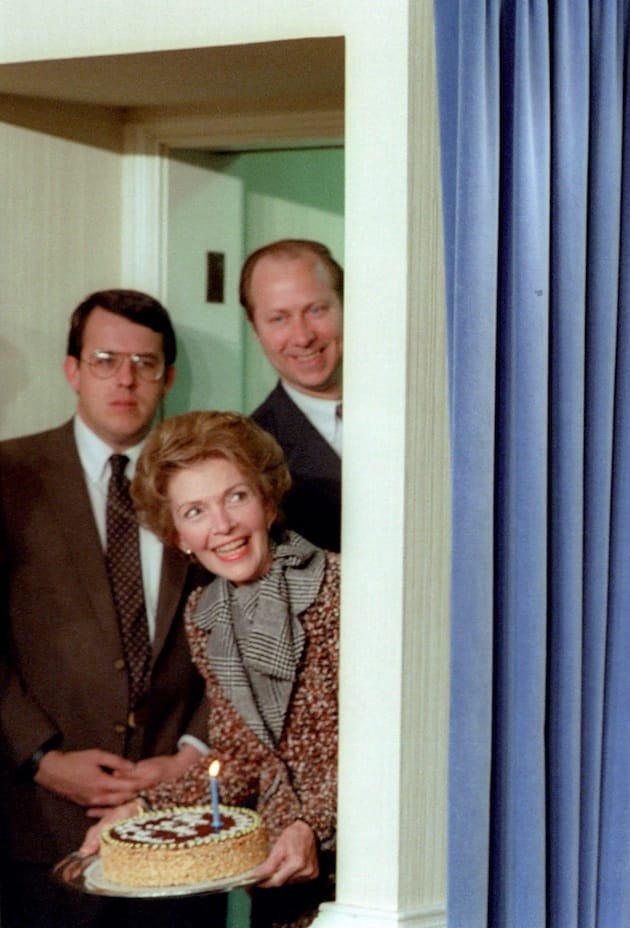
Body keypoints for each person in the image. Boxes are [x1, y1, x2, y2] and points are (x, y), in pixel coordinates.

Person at [0, 290, 220, 927]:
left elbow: (240, 628)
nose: (125, 379)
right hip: (43, 824)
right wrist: (41, 759)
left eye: (144, 363)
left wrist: (190, 753)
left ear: (167, 379)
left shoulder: (208, 483)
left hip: (181, 823)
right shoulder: (9, 476)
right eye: (105, 360)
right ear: (73, 370)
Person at [83, 411, 339, 928]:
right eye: (195, 511)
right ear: (178, 534)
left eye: (236, 497)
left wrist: (311, 824)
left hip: (360, 864)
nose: (222, 526)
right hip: (280, 881)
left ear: (267, 502)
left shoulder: (341, 588)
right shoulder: (207, 616)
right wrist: (144, 808)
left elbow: (385, 744)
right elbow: (240, 760)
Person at [241, 239, 344, 552]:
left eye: (315, 310)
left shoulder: (419, 409)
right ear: (255, 329)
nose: (302, 337)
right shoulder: (249, 452)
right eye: (279, 318)